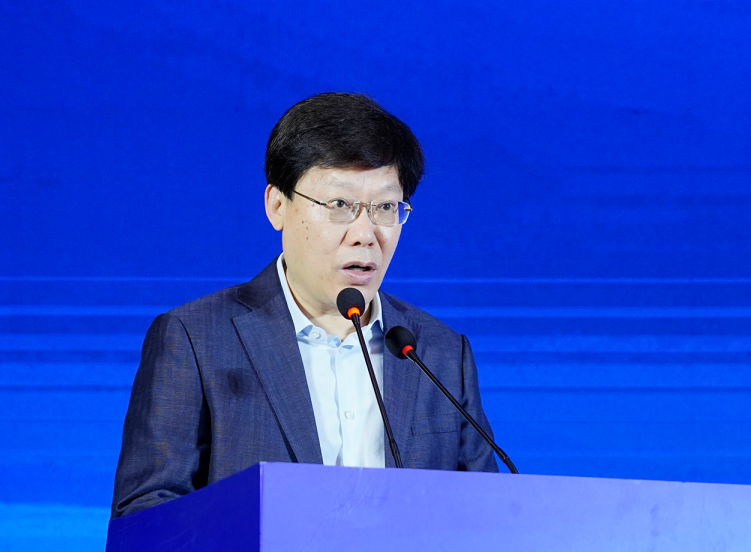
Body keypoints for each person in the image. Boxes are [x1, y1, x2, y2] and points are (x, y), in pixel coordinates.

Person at [111, 93, 499, 517]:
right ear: (277, 206)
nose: (365, 234)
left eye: (386, 207)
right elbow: (145, 515)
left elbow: (485, 517)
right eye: (340, 205)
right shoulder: (196, 340)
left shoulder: (438, 353)